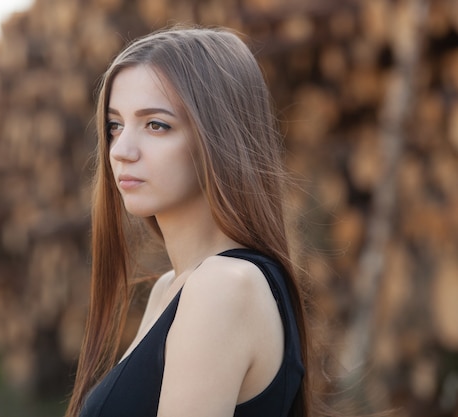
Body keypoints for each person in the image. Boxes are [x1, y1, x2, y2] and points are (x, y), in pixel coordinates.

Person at [66, 26, 310, 417]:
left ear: (220, 138)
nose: (121, 151)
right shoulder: (172, 288)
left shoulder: (223, 286)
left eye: (156, 125)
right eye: (115, 125)